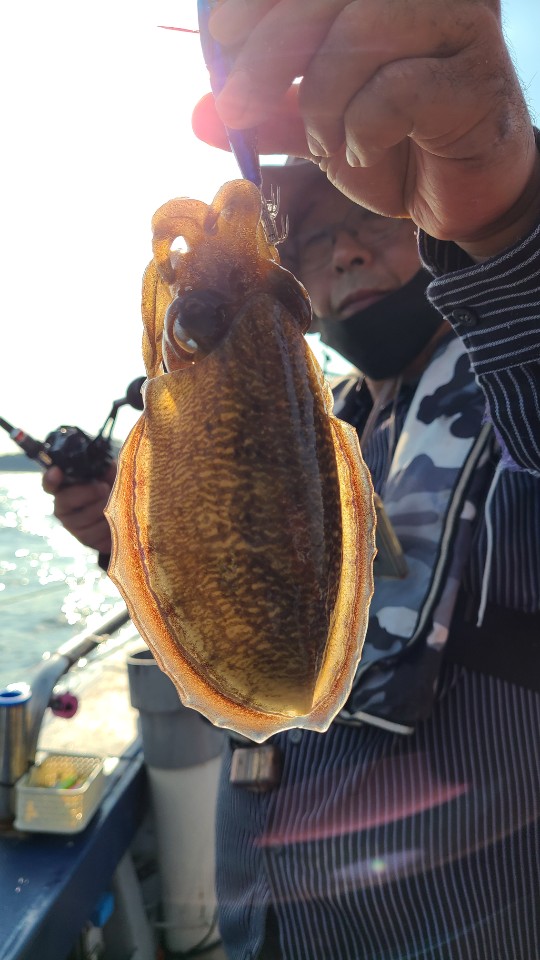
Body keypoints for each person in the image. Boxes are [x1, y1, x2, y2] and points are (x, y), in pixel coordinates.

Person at [44, 1, 540, 957]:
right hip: (263, 917)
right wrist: (129, 542)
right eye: (311, 244)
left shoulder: (514, 392)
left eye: (372, 221)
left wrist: (511, 216)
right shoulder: (331, 418)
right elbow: (247, 573)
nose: (345, 250)